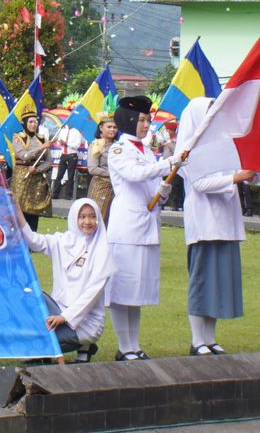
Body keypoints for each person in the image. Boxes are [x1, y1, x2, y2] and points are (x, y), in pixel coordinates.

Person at [175, 97, 255, 355]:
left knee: (219, 282)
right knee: (202, 281)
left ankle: (210, 338)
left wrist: (250, 171)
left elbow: (237, 172)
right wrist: (236, 176)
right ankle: (197, 340)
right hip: (205, 223)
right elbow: (200, 183)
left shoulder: (223, 144)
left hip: (226, 221)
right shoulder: (189, 149)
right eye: (208, 113)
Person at [104, 95, 177, 361]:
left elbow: (149, 185)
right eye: (142, 120)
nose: (146, 125)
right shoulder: (118, 150)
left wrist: (163, 190)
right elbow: (134, 175)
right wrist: (168, 163)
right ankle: (124, 346)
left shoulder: (147, 151)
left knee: (138, 291)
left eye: (148, 120)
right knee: (122, 289)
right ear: (130, 120)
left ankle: (134, 345)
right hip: (127, 226)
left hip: (147, 224)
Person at [17, 197, 115, 362]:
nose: (87, 221)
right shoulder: (62, 241)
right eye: (82, 217)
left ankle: (84, 345)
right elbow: (33, 241)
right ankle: (74, 348)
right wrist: (16, 209)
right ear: (74, 218)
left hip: (85, 321)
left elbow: (91, 295)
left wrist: (65, 317)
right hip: (58, 310)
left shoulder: (102, 250)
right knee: (29, 302)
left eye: (92, 216)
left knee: (40, 344)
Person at [10, 113, 53, 230]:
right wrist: (40, 148)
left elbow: (49, 161)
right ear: (24, 123)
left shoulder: (42, 138)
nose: (34, 124)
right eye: (30, 122)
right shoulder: (18, 137)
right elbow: (23, 155)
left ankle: (33, 238)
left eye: (35, 122)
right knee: (19, 208)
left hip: (37, 177)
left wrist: (38, 169)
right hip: (22, 176)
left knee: (34, 210)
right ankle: (18, 239)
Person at [85, 116, 117, 224]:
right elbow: (92, 169)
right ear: (101, 128)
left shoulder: (119, 146)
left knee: (113, 220)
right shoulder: (96, 145)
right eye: (109, 127)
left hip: (117, 187)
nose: (112, 129)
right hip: (100, 187)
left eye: (115, 127)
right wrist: (114, 174)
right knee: (97, 220)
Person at [53, 123, 87, 200]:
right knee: (59, 175)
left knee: (70, 176)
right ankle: (55, 194)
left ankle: (68, 195)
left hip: (72, 155)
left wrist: (67, 143)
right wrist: (60, 143)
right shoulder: (63, 130)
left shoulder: (77, 132)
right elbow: (58, 142)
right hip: (63, 154)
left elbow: (77, 145)